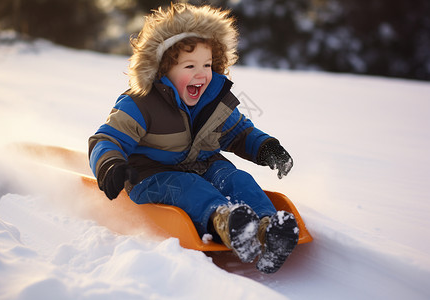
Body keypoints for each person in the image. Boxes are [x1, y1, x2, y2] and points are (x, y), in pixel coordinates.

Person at [88, 3, 298, 274]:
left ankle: (268, 230)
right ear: (163, 69)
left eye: (207, 64)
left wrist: (266, 147)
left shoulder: (212, 99)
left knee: (236, 178)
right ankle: (226, 223)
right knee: (190, 187)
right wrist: (109, 164)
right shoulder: (140, 103)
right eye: (190, 65)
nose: (202, 74)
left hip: (203, 164)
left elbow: (239, 132)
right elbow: (108, 139)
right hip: (151, 176)